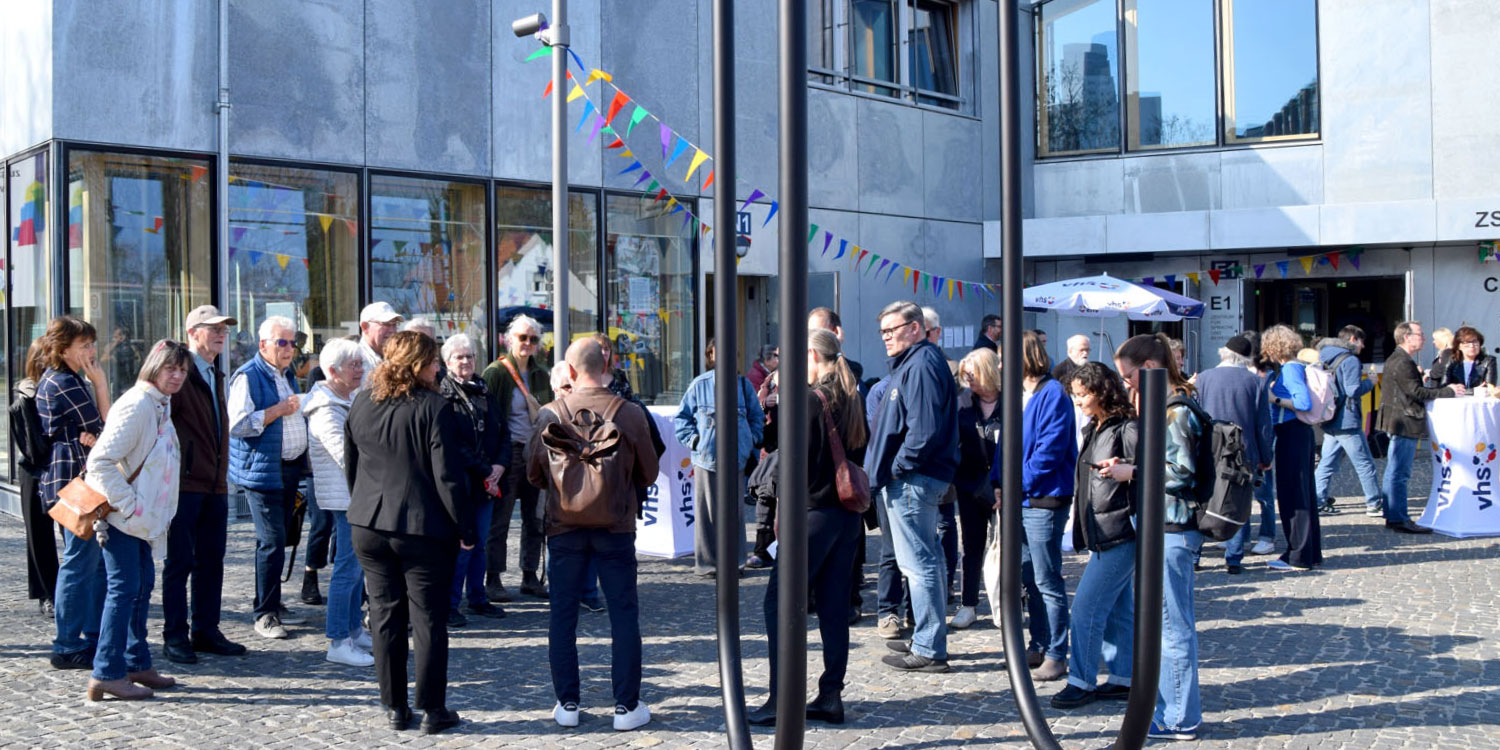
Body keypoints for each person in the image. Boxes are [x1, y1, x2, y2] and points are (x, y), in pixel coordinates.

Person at [527, 339, 661, 731]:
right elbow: (649, 473)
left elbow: (534, 473)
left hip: (564, 526)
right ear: (607, 364)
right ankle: (626, 707)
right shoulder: (630, 412)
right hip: (615, 527)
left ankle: (567, 704)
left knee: (562, 616)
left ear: (568, 371)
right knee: (623, 615)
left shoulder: (550, 412)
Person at [346, 331, 473, 735]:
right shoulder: (434, 407)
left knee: (384, 617)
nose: (439, 368)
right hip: (421, 528)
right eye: (434, 362)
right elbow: (448, 477)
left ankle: (395, 707)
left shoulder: (363, 401)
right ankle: (432, 710)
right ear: (418, 365)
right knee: (428, 619)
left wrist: (364, 506)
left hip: (369, 523)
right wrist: (466, 528)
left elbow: (352, 466)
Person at [747, 328, 866, 726]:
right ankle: (830, 693)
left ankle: (782, 698)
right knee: (833, 607)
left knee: (779, 603)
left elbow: (793, 461)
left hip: (814, 513)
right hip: (845, 515)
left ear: (811, 355)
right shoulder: (850, 393)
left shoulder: (812, 400)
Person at [84, 339, 191, 700]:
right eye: (170, 369)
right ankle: (107, 672)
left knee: (140, 588)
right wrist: (130, 505)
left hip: (141, 521)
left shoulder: (160, 403)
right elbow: (99, 461)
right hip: (122, 519)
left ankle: (135, 662)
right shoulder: (138, 405)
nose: (177, 376)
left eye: (182, 370)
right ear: (153, 368)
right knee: (124, 591)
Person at [1113, 333, 1205, 741]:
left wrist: (1131, 472)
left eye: (1128, 375)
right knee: (1163, 624)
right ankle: (1169, 709)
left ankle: (1180, 716)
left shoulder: (1176, 411)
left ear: (1149, 368)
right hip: (1159, 528)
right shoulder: (1162, 407)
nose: (1125, 383)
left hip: (1173, 529)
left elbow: (1180, 472)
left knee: (1171, 626)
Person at [865, 301, 959, 673]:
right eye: (883, 332)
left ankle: (929, 647)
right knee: (926, 562)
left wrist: (899, 468)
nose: (886, 338)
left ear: (916, 328)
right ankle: (926, 639)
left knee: (919, 565)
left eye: (893, 329)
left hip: (913, 480)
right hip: (916, 478)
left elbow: (924, 431)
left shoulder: (921, 363)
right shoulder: (918, 362)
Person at [162, 306, 247, 665]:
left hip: (215, 484)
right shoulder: (180, 370)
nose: (221, 334)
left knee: (212, 560)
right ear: (193, 332)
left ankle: (206, 630)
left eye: (224, 329)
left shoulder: (215, 372)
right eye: (213, 329)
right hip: (185, 484)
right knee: (179, 561)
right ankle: (175, 635)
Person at [1051, 362, 1137, 709]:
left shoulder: (1127, 427)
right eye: (1076, 395)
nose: (1078, 401)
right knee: (1117, 609)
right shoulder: (1095, 427)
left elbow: (1153, 470)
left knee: (1086, 610)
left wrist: (1126, 471)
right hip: (1103, 528)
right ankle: (1123, 678)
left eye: (1083, 394)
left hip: (1120, 530)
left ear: (1102, 392)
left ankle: (1081, 681)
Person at [228, 315, 310, 639]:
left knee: (282, 539)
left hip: (288, 469)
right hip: (261, 472)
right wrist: (278, 410)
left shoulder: (285, 374)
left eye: (293, 342)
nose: (289, 349)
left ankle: (272, 601)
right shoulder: (247, 376)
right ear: (263, 345)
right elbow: (238, 424)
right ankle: (264, 613)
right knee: (272, 541)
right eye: (282, 342)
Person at [38, 316, 112, 671]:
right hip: (72, 482)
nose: (91, 351)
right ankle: (67, 644)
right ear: (63, 348)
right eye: (84, 345)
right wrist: (100, 383)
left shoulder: (68, 379)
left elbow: (97, 432)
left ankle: (91, 637)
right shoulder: (65, 381)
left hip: (72, 479)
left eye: (92, 344)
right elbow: (105, 425)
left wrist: (94, 434)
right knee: (79, 564)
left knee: (89, 564)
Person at [1004, 330, 1076, 680]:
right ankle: (1039, 642)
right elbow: (1006, 445)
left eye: (1006, 357)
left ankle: (1058, 652)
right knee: (1028, 577)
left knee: (1048, 579)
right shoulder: (1018, 393)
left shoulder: (1052, 394)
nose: (1001, 364)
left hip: (1043, 498)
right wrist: (999, 484)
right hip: (1021, 497)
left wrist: (1018, 483)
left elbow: (1050, 449)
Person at [304, 338, 375, 667]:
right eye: (354, 365)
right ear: (333, 371)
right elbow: (345, 454)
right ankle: (337, 639)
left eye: (361, 364)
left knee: (357, 568)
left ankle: (351, 628)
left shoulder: (350, 398)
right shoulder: (325, 409)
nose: (361, 370)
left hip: (357, 493)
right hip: (345, 496)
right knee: (346, 569)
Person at [674, 338, 765, 576]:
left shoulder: (744, 386)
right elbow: (681, 420)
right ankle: (707, 564)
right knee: (706, 514)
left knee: (734, 515)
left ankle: (735, 563)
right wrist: (695, 441)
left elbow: (757, 417)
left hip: (736, 459)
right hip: (706, 458)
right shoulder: (699, 384)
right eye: (717, 352)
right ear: (710, 355)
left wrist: (751, 440)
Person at [439, 334, 510, 627]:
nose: (466, 361)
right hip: (463, 481)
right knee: (462, 544)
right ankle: (451, 604)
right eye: (460, 357)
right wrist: (485, 470)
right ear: (447, 362)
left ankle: (478, 597)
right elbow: (452, 442)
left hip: (488, 479)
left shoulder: (483, 389)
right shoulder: (444, 393)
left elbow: (502, 431)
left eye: (470, 356)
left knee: (479, 543)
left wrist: (500, 466)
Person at [482, 315, 553, 601]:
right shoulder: (496, 372)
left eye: (533, 339)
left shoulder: (540, 373)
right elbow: (487, 417)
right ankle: (493, 577)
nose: (527, 343)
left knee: (535, 518)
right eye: (522, 337)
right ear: (510, 339)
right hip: (507, 452)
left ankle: (529, 575)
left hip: (535, 450)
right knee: (500, 520)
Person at [1194, 335, 1274, 574]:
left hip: (1210, 446)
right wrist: (1266, 458)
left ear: (1223, 354)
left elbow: (1195, 415)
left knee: (1202, 500)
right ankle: (1234, 557)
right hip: (1243, 449)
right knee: (1237, 500)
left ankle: (1195, 556)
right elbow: (1263, 425)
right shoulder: (1255, 382)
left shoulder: (1204, 378)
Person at [1380, 321, 1458, 534]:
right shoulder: (1402, 361)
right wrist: (1449, 391)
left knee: (1394, 471)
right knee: (1399, 472)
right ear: (1407, 337)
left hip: (1400, 419)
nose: (1424, 338)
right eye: (1420, 334)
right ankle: (1399, 518)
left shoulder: (1400, 359)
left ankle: (1393, 515)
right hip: (1405, 420)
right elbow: (1417, 393)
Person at [1261, 324, 1322, 571]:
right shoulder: (1296, 367)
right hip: (1299, 434)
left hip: (1291, 433)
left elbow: (1303, 403)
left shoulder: (1290, 369)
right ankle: (1307, 553)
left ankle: (1297, 556)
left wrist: (1273, 398)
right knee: (1303, 493)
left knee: (1293, 496)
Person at [950, 348, 1002, 630]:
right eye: (965, 376)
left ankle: (1007, 601)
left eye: (973, 375)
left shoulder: (1010, 402)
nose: (969, 381)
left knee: (1007, 546)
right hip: (969, 484)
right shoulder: (962, 403)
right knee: (972, 546)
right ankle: (968, 603)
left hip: (1002, 486)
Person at [1313, 326, 1383, 519]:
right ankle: (1374, 503)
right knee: (1364, 463)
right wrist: (1371, 382)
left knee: (1326, 463)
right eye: (1361, 341)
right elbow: (1352, 390)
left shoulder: (1324, 356)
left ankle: (1317, 501)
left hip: (1330, 417)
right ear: (1353, 339)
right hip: (1347, 420)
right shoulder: (1350, 359)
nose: (1363, 346)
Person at [12, 340, 56, 618]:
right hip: (34, 468)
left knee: (77, 532)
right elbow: (29, 442)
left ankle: (75, 590)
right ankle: (47, 593)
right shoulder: (25, 391)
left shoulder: (73, 385)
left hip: (64, 468)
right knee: (38, 534)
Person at [357, 301, 404, 387]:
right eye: (385, 324)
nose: (392, 331)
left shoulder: (399, 357)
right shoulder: (355, 360)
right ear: (365, 327)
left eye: (394, 325)